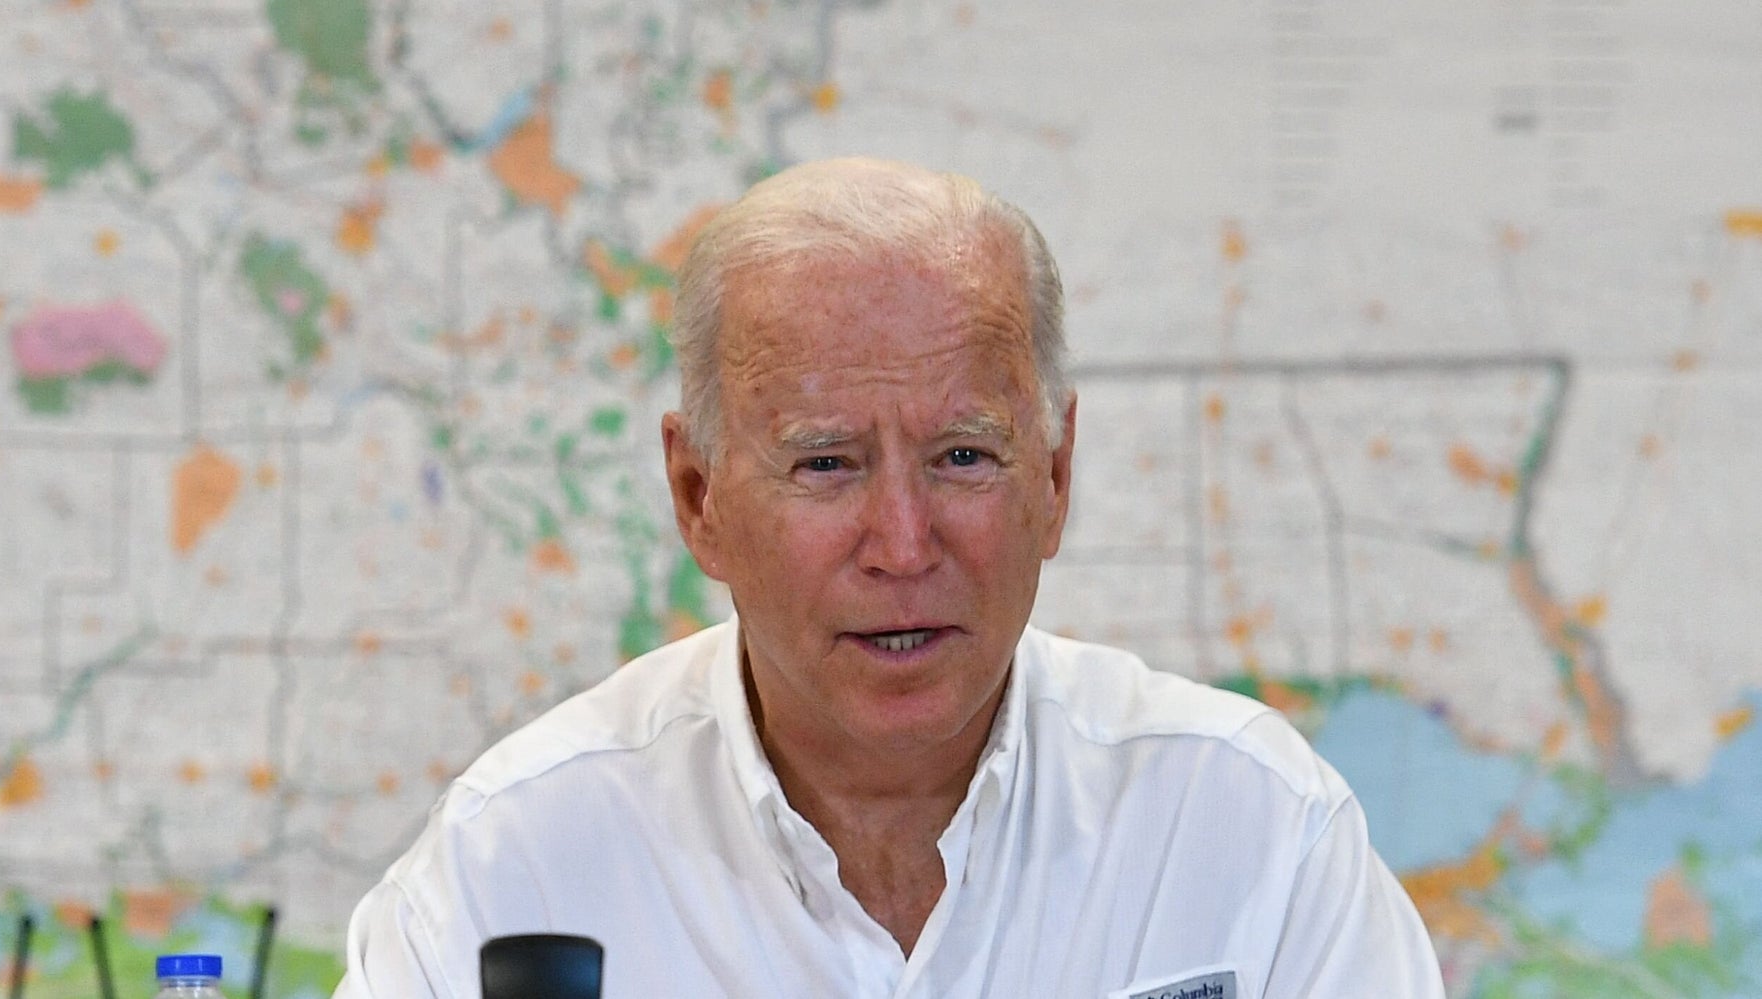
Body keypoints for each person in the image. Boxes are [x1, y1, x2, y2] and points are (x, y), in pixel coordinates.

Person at [332, 158, 1444, 997]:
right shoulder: (509, 862)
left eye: (963, 456)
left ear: (1053, 478)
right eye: (826, 464)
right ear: (697, 497)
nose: (904, 545)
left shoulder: (1247, 827)